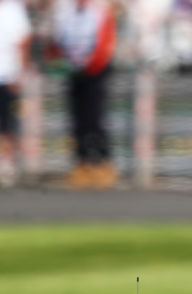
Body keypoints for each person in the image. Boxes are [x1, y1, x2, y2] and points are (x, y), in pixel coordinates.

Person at [52, 0, 118, 189]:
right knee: (77, 122)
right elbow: (57, 44)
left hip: (94, 74)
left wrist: (90, 66)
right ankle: (81, 164)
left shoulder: (98, 13)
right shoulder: (64, 14)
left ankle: (103, 163)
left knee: (95, 120)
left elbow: (104, 46)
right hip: (74, 74)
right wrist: (63, 65)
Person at [0, 0, 31, 187]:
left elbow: (23, 42)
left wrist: (20, 73)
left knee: (8, 124)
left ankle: (7, 164)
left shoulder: (13, 9)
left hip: (8, 76)